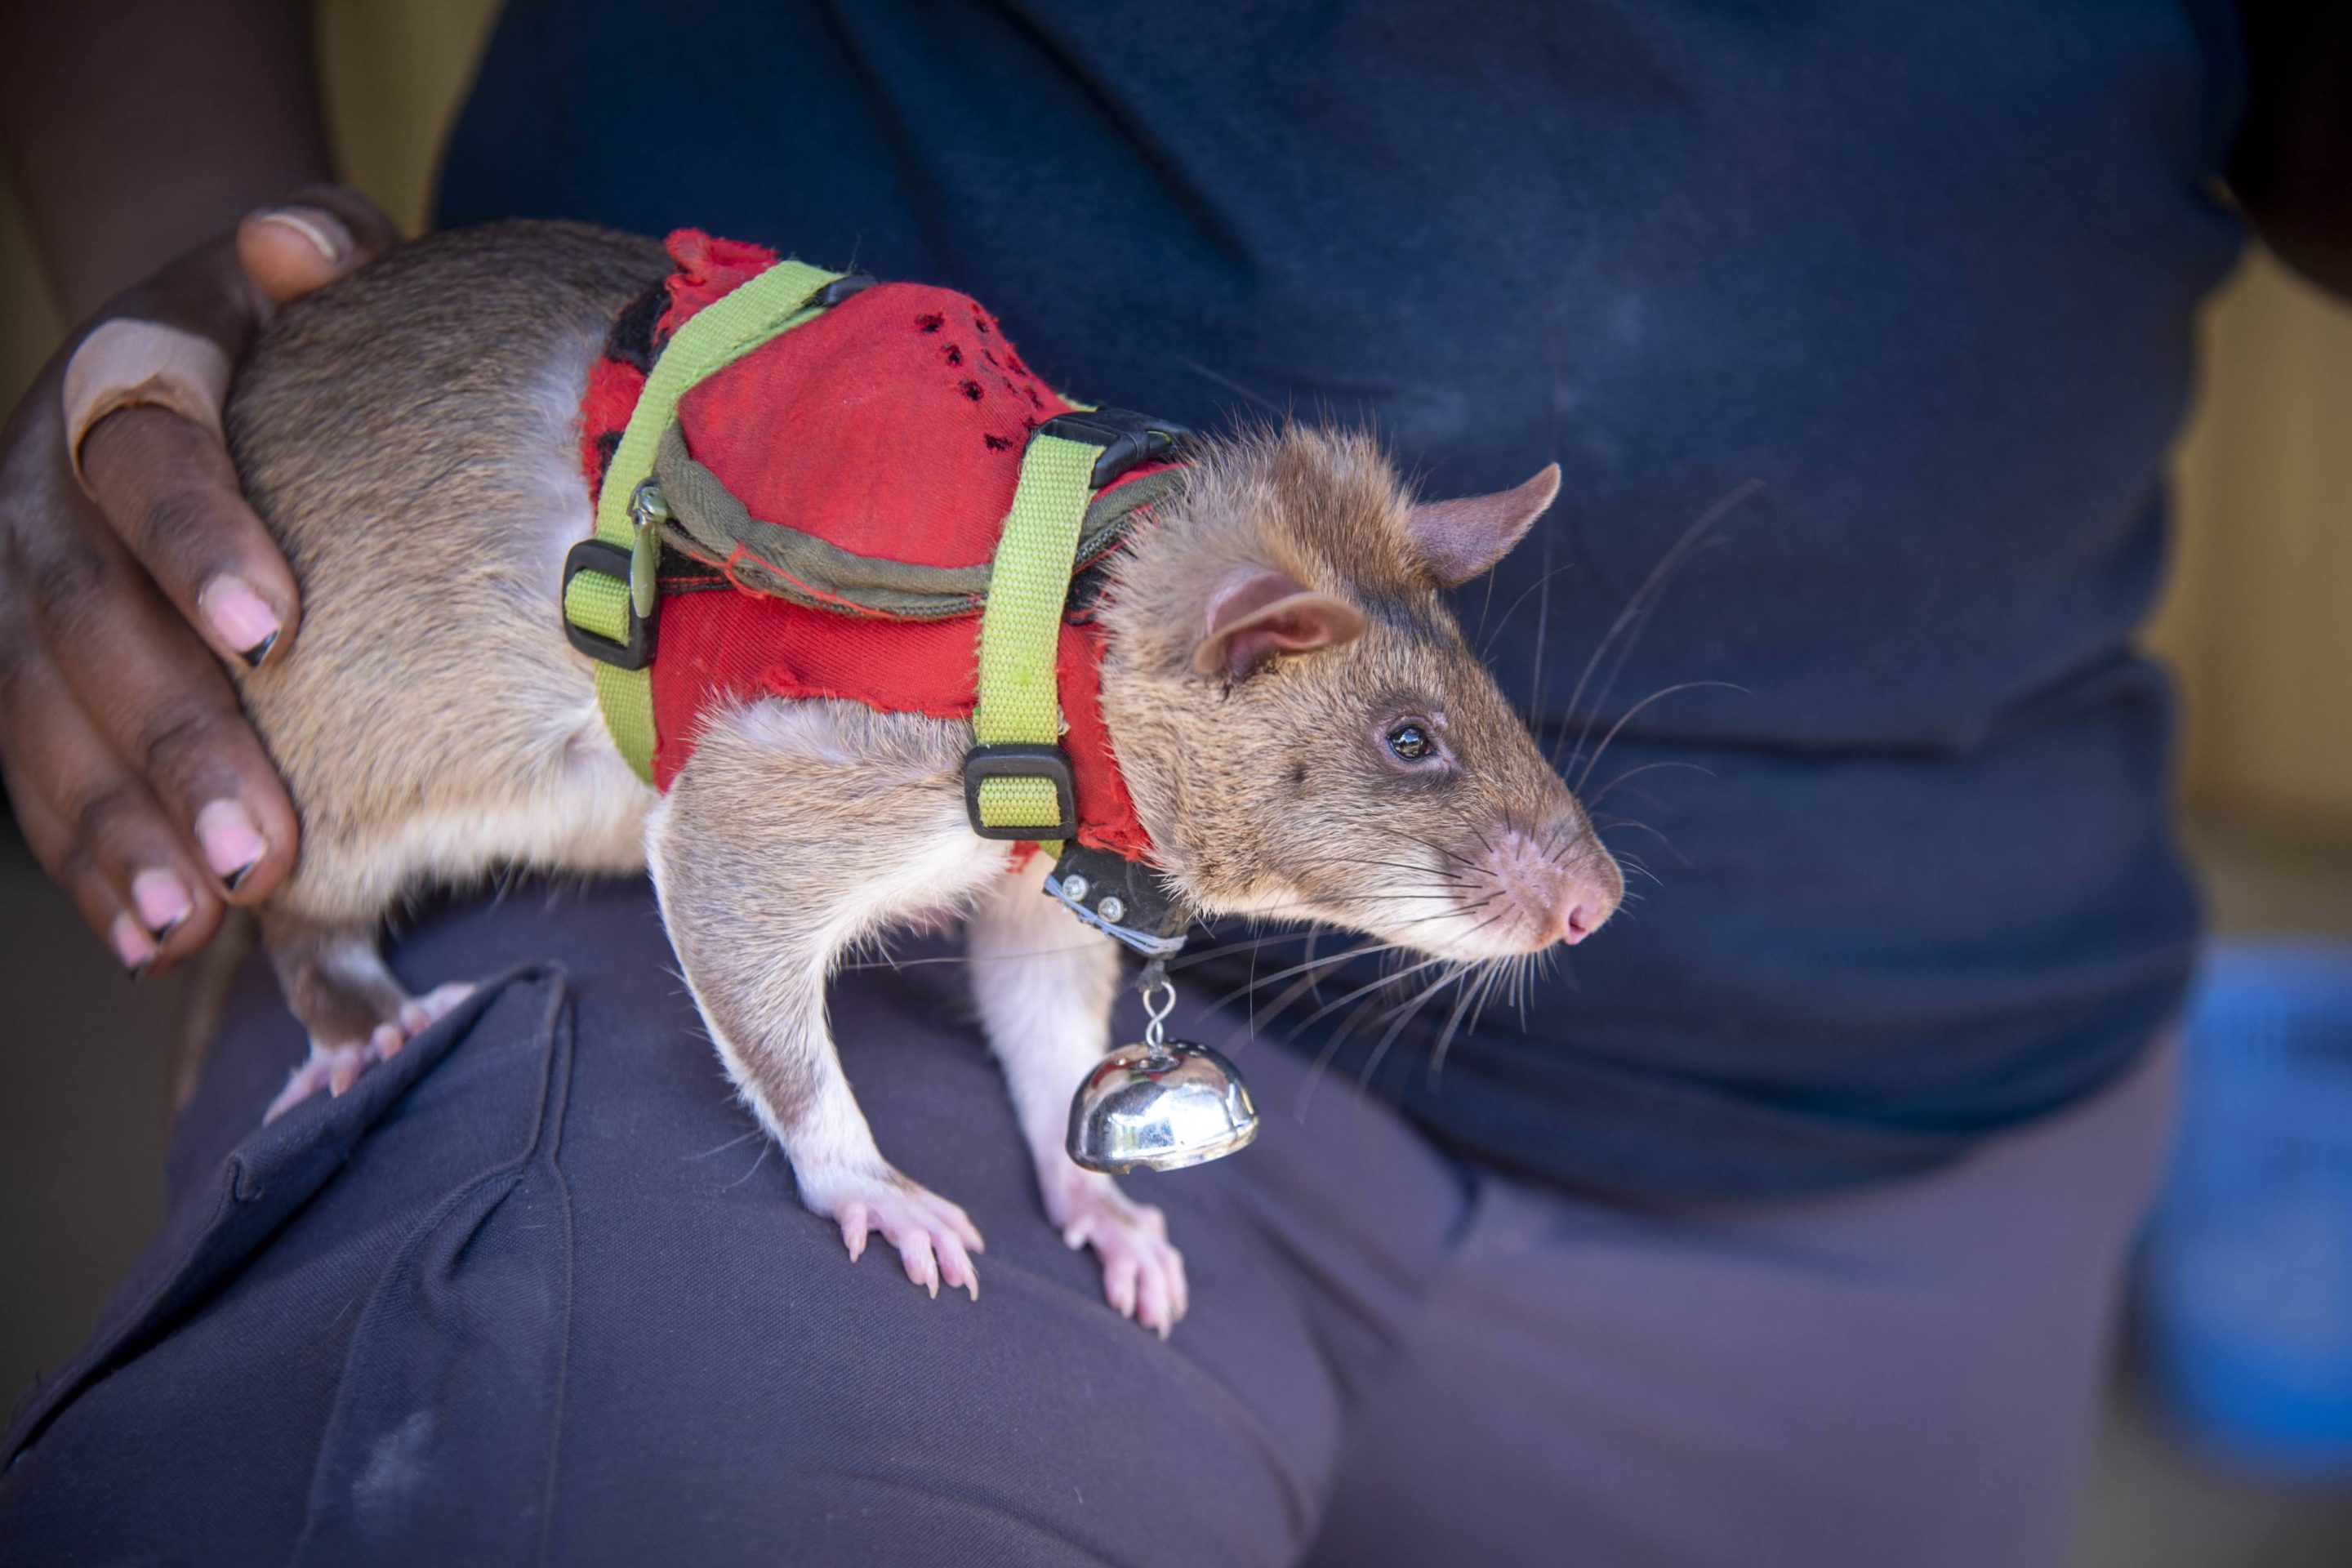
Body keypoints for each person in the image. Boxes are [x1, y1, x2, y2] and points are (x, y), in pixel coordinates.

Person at [1, 3, 2345, 1563]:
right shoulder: (943, 698)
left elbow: (1055, 889)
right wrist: (845, 1166)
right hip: (637, 947)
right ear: (1245, 649)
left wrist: (1073, 1172)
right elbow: (740, 845)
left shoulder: (1098, 749)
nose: (1556, 876)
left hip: (1898, 1096)